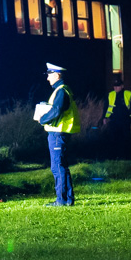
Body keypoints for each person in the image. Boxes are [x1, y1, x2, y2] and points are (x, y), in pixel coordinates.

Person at [38, 62, 81, 206]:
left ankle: (61, 200)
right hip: (60, 133)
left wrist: (42, 119)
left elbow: (57, 110)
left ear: (57, 75)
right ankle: (67, 199)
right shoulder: (63, 90)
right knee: (62, 166)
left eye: (49, 74)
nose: (47, 78)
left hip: (57, 133)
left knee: (57, 167)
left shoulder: (61, 91)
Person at [102, 76, 131, 158]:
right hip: (114, 120)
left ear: (122, 86)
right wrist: (104, 118)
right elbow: (106, 107)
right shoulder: (110, 95)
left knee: (125, 139)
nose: (115, 87)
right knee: (114, 138)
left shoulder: (128, 94)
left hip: (125, 120)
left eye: (118, 85)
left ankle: (125, 156)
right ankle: (115, 156)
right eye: (114, 86)